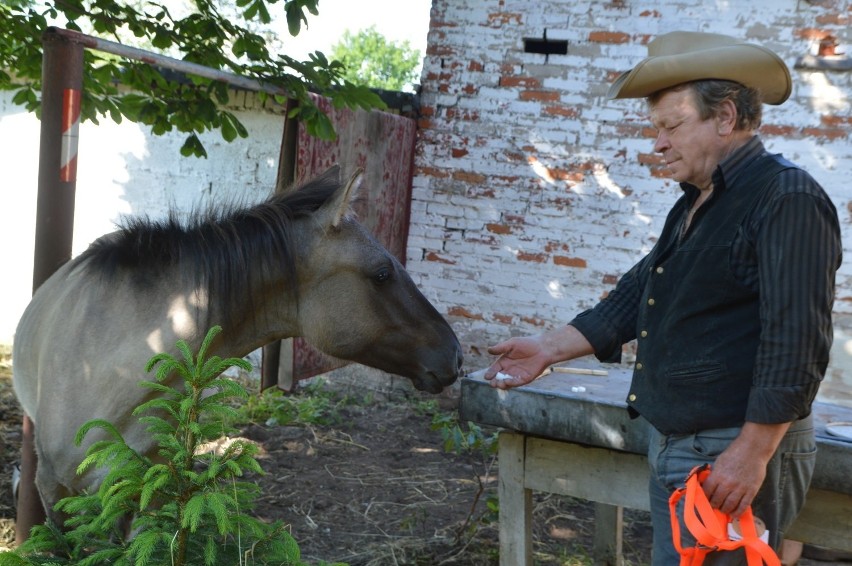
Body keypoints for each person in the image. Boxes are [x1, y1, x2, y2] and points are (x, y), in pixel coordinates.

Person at [484, 31, 841, 565]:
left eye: (671, 127)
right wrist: (548, 349)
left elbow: (797, 341)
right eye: (656, 129)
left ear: (724, 117)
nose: (657, 144)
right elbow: (638, 294)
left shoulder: (787, 198)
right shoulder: (699, 201)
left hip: (730, 452)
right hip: (683, 444)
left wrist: (752, 452)